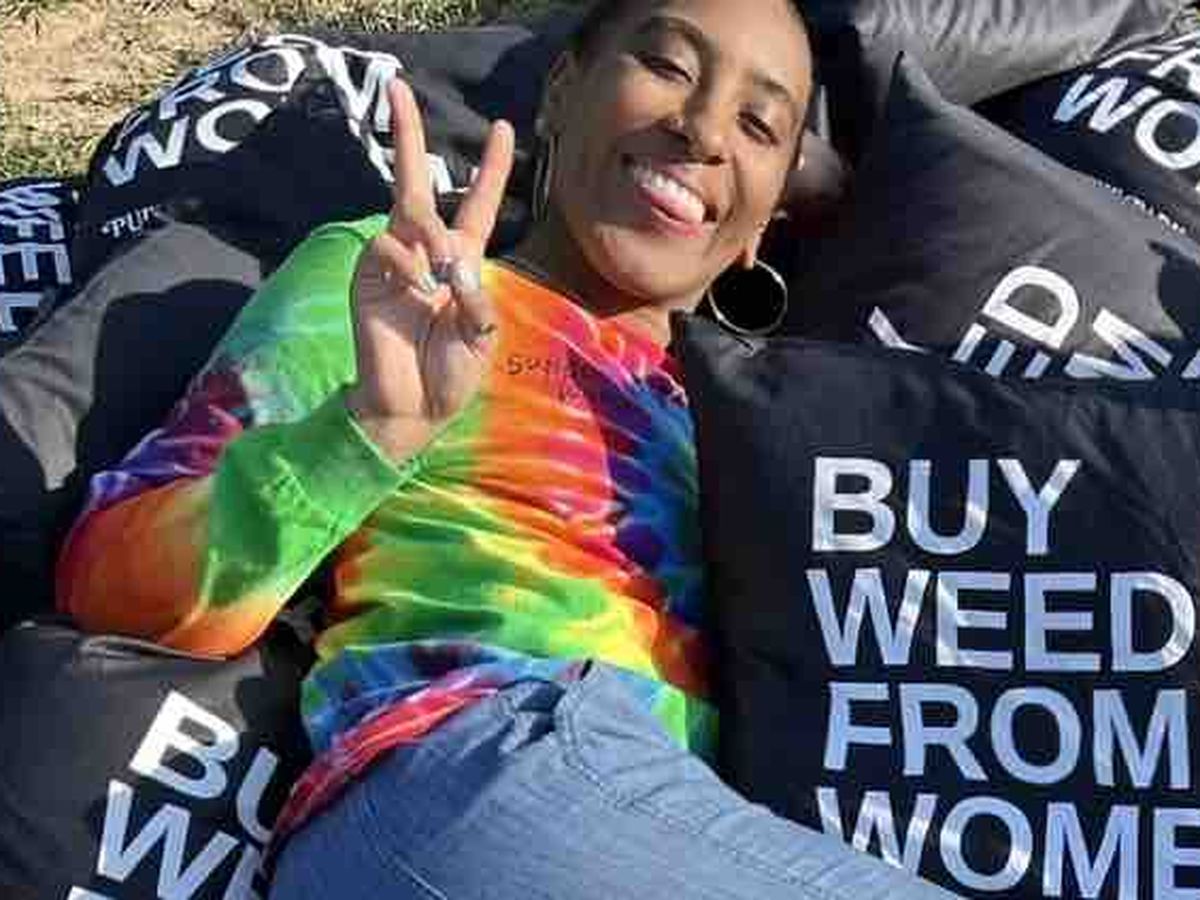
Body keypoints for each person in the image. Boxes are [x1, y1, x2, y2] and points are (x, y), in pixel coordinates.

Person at [57, 0, 957, 896]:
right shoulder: (409, 291)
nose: (704, 131)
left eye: (758, 125)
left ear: (766, 219)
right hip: (473, 765)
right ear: (561, 90)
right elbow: (115, 584)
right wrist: (369, 433)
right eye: (670, 67)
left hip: (670, 816)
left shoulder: (761, 416)